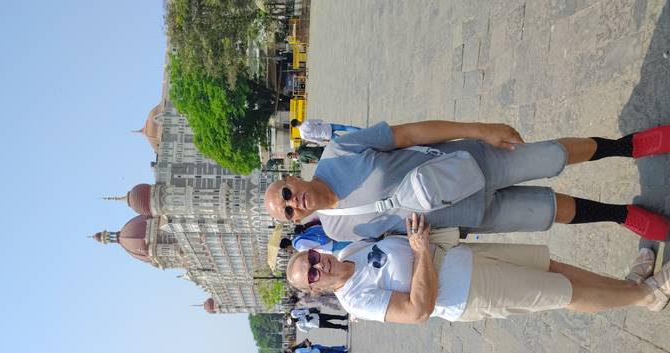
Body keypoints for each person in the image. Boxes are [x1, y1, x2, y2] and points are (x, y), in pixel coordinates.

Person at [265, 120, 670, 242]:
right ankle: (622, 215)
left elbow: (407, 135)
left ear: (289, 177)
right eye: (287, 212)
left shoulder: (339, 152)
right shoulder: (339, 232)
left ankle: (627, 146)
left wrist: (478, 129)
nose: (292, 203)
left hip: (475, 161)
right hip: (468, 213)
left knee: (553, 155)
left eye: (286, 194)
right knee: (551, 211)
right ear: (293, 220)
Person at [285, 213, 670, 323]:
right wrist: (419, 252)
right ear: (317, 290)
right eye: (312, 273)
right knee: (560, 292)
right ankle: (647, 295)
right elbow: (418, 311)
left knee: (554, 268)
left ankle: (629, 288)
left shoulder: (351, 249)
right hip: (469, 291)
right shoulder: (356, 302)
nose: (319, 263)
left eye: (313, 257)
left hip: (462, 255)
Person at [281, 223, 351, 256]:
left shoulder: (299, 246)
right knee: (347, 239)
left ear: (287, 247)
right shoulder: (297, 237)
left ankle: (361, 241)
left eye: (286, 250)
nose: (288, 251)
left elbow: (315, 251)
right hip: (326, 237)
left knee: (349, 246)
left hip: (328, 246)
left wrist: (327, 254)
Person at [291, 118, 362, 145]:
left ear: (295, 127)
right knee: (345, 128)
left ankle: (356, 143)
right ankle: (361, 132)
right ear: (298, 120)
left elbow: (314, 140)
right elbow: (319, 120)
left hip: (327, 135)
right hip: (328, 126)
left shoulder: (302, 135)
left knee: (342, 140)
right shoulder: (307, 122)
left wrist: (323, 140)